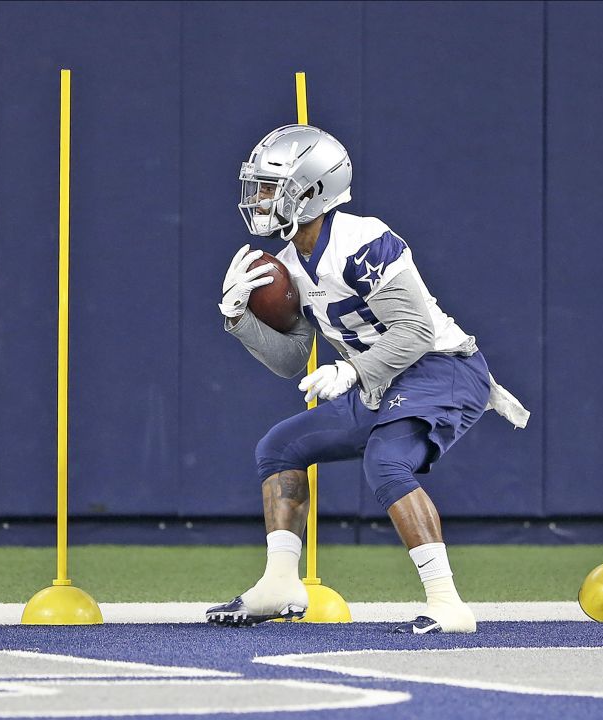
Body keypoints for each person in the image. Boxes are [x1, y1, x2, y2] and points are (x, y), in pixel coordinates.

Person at [205, 124, 528, 634]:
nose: (261, 199)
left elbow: (416, 330)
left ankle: (448, 604)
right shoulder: (289, 264)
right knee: (280, 447)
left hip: (442, 369)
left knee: (387, 461)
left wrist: (352, 369)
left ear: (310, 191)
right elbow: (292, 360)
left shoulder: (362, 240)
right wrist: (239, 320)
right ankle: (279, 585)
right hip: (381, 380)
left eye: (272, 187)